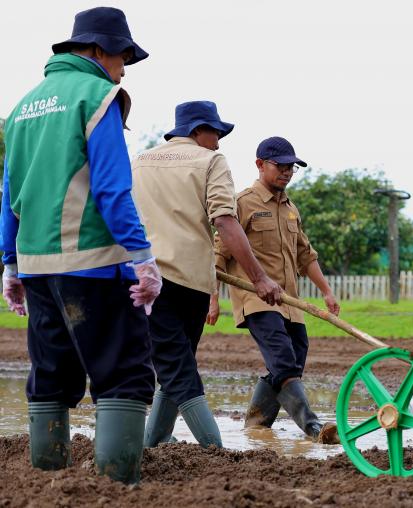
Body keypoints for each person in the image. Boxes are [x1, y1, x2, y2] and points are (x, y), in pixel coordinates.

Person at [0, 7, 160, 484]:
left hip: (36, 268)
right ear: (96, 50)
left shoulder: (24, 107)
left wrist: (10, 263)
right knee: (124, 372)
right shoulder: (99, 95)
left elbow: (9, 192)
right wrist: (144, 258)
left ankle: (50, 480)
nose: (124, 68)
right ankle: (118, 483)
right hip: (93, 265)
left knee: (51, 372)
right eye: (122, 56)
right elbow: (112, 190)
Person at [132, 101, 282, 448]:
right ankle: (214, 448)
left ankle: (152, 443)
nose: (218, 141)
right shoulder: (210, 160)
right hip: (191, 281)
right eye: (216, 133)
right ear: (198, 131)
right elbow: (225, 220)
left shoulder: (140, 161)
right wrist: (259, 277)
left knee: (176, 364)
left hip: (147, 278)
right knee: (180, 366)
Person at [213, 137, 339, 443]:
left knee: (290, 363)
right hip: (256, 300)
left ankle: (256, 425)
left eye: (291, 167)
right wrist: (212, 298)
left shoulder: (291, 208)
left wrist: (326, 291)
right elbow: (218, 254)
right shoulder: (242, 204)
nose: (286, 171)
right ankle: (313, 427)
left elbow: (305, 255)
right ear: (260, 165)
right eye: (280, 165)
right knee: (283, 361)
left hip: (290, 302)